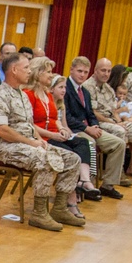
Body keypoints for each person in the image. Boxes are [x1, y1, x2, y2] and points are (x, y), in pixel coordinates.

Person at [0, 54, 83, 230]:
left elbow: (30, 125)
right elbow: (1, 130)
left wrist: (40, 140)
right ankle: (39, 213)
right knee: (44, 159)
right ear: (14, 70)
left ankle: (60, 208)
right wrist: (32, 144)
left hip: (27, 144)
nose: (30, 71)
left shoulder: (22, 96)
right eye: (26, 68)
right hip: (6, 147)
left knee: (72, 159)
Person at [24, 58, 98, 213]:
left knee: (82, 143)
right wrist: (53, 134)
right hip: (41, 137)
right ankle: (69, 204)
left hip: (54, 134)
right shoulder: (28, 94)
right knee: (71, 155)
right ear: (38, 73)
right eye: (49, 72)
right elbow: (30, 125)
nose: (51, 75)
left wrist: (62, 129)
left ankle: (84, 180)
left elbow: (54, 118)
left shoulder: (47, 94)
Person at [88, 57, 132, 184]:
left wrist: (119, 121)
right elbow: (92, 113)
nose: (106, 74)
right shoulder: (88, 87)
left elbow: (114, 110)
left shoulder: (108, 89)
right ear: (95, 70)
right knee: (120, 131)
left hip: (113, 121)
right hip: (98, 123)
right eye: (103, 70)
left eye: (109, 71)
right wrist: (114, 123)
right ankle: (117, 173)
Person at [65, 56, 127, 199]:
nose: (82, 75)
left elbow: (91, 114)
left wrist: (95, 126)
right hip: (73, 129)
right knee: (90, 143)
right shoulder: (66, 88)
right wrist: (87, 129)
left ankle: (108, 185)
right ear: (71, 70)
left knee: (119, 143)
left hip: (89, 128)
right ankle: (88, 185)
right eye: (79, 71)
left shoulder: (84, 92)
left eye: (85, 72)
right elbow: (67, 117)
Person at [48, 74, 101, 203]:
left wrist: (69, 134)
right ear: (51, 89)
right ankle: (74, 190)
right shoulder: (48, 102)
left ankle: (85, 180)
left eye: (65, 87)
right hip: (50, 135)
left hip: (62, 134)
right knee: (75, 152)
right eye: (60, 87)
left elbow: (65, 125)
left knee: (85, 143)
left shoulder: (62, 104)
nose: (64, 90)